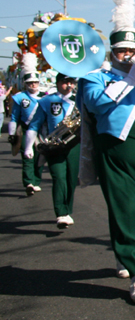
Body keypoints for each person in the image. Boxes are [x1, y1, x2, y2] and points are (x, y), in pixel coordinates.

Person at [78, 0, 135, 303]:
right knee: (124, 209)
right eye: (122, 50)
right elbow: (98, 104)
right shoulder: (93, 77)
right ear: (112, 52)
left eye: (132, 49)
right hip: (115, 152)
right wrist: (128, 80)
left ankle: (128, 253)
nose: (128, 55)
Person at [26, 73, 79, 228]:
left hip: (75, 145)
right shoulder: (46, 101)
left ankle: (67, 209)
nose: (68, 85)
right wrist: (29, 146)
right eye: (64, 82)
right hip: (55, 145)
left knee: (71, 179)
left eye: (71, 82)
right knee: (58, 177)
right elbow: (35, 125)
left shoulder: (80, 100)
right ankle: (61, 213)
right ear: (57, 83)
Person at [8, 53, 43, 196]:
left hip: (41, 129)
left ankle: (36, 180)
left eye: (35, 82)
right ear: (25, 83)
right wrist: (11, 134)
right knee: (27, 155)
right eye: (30, 83)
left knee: (40, 156)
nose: (33, 85)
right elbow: (14, 117)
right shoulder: (20, 98)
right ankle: (28, 182)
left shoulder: (45, 96)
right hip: (25, 128)